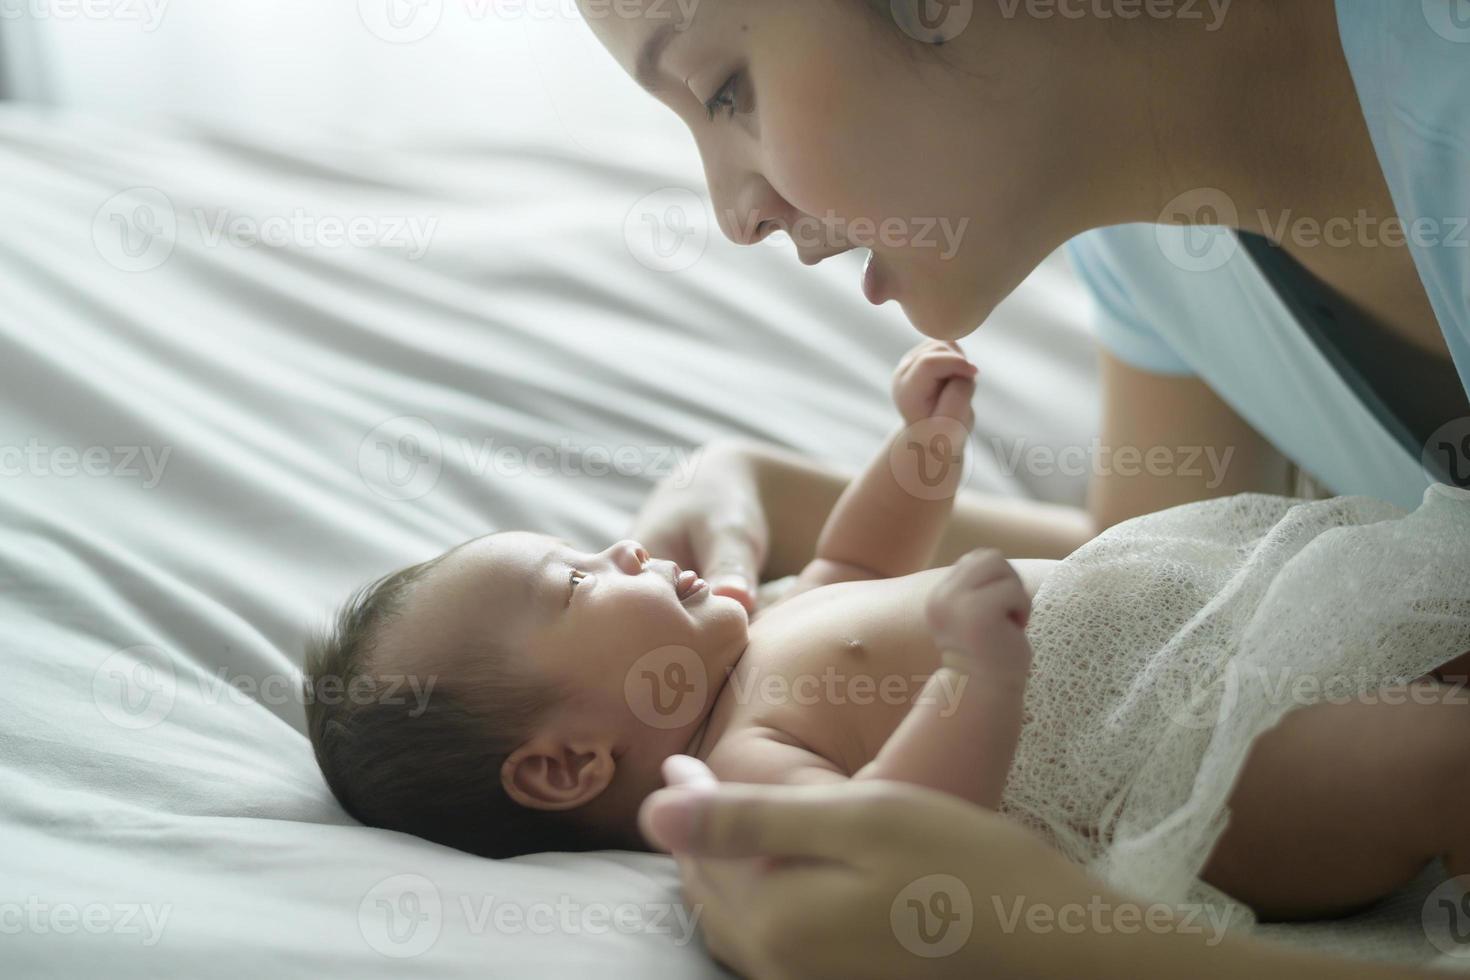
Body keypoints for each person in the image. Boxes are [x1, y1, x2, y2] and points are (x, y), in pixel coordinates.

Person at [572, 0, 1470, 972]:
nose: (732, 217)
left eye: (723, 90)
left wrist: (1065, 943)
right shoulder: (1148, 228)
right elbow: (1142, 572)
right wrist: (755, 481)